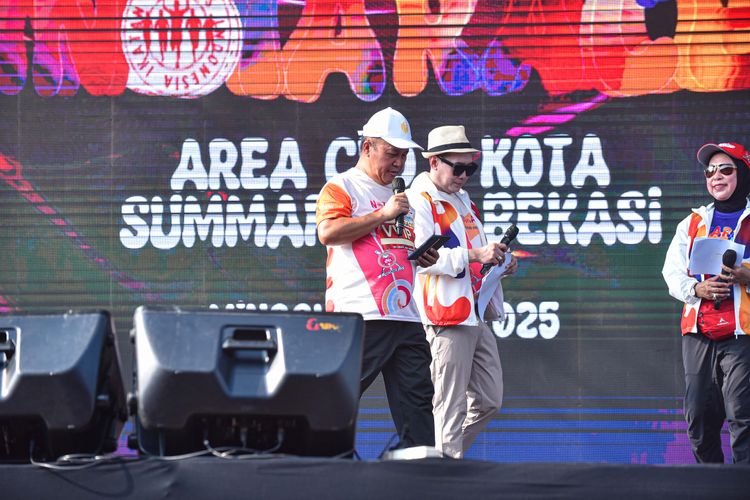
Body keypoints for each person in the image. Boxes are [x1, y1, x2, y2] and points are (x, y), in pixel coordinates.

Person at [316, 107, 438, 448]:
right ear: (367, 147)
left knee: (418, 402)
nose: (398, 163)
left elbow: (398, 246)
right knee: (339, 396)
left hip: (406, 315)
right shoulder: (342, 186)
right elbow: (328, 232)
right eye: (391, 153)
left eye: (403, 156)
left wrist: (423, 256)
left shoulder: (403, 198)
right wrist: (382, 213)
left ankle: (421, 468)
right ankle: (318, 462)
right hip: (361, 313)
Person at [405, 125, 518, 458]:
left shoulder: (463, 200)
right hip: (445, 313)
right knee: (449, 404)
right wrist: (475, 254)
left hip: (473, 310)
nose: (464, 176)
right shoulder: (419, 200)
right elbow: (421, 259)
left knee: (489, 400)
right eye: (458, 168)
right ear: (434, 162)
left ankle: (439, 457)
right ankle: (443, 468)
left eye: (471, 168)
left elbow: (475, 255)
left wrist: (500, 261)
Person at [662, 141, 750, 464]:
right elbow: (671, 272)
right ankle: (712, 482)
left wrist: (746, 275)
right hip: (699, 332)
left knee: (742, 414)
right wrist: (697, 289)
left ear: (743, 173)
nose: (716, 176)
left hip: (743, 333)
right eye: (710, 171)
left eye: (725, 169)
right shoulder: (692, 223)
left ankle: (742, 484)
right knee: (698, 418)